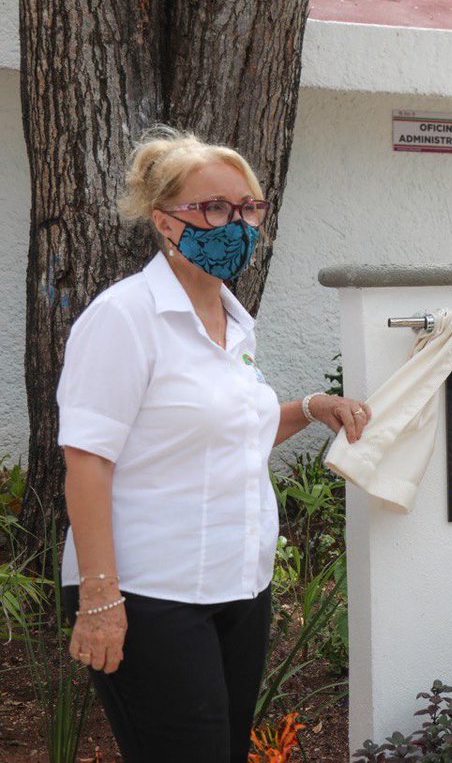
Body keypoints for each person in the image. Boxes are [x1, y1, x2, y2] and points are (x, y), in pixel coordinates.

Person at [57, 127, 371, 762]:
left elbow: (227, 433)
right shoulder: (124, 317)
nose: (238, 225)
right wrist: (99, 597)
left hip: (238, 586)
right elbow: (87, 461)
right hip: (150, 593)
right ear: (164, 221)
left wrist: (311, 409)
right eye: (215, 208)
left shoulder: (233, 322)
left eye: (249, 208)